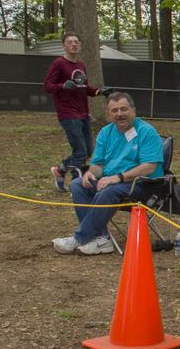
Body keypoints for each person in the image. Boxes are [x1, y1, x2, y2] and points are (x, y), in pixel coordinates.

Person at [53, 92, 164, 256]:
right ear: (109, 114)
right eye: (114, 110)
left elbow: (149, 167)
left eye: (124, 109)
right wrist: (90, 173)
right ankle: (101, 238)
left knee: (109, 190)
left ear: (133, 110)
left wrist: (117, 178)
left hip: (143, 184)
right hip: (112, 181)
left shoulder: (147, 132)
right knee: (78, 184)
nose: (119, 114)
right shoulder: (106, 132)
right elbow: (98, 165)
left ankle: (80, 237)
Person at [43, 31, 102, 192]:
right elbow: (48, 86)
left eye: (76, 42)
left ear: (80, 45)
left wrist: (100, 92)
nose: (74, 44)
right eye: (70, 42)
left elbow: (84, 87)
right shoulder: (59, 64)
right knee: (81, 152)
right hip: (68, 113)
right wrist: (62, 86)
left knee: (88, 151)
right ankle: (77, 184)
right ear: (64, 45)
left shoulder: (81, 65)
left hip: (83, 113)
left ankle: (60, 171)